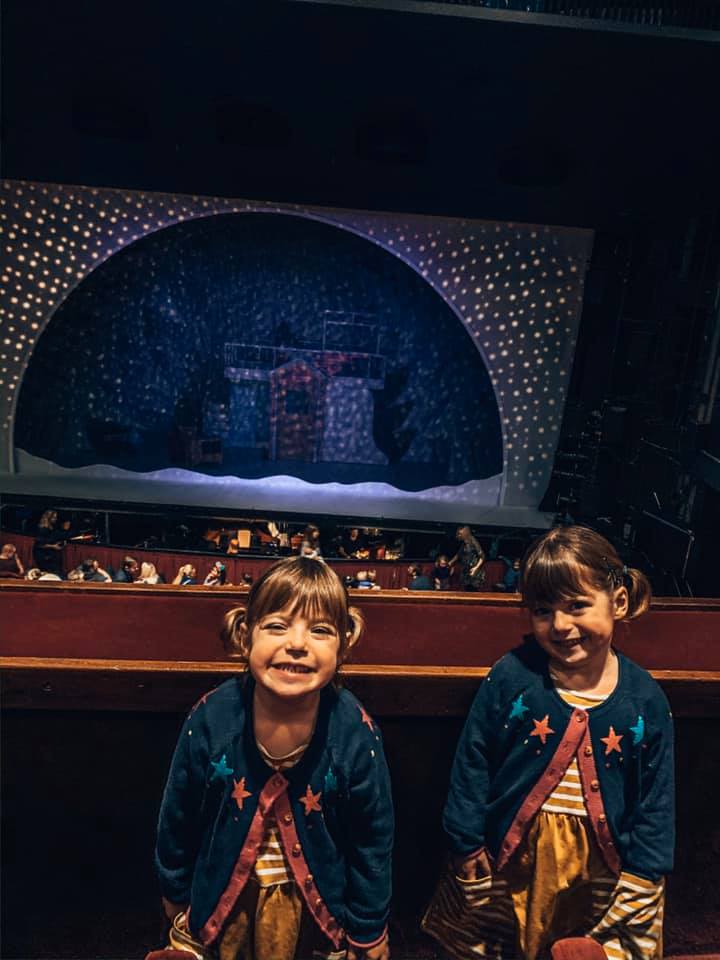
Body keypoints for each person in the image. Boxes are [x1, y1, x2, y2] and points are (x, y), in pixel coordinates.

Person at [422, 525, 673, 960]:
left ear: (618, 603)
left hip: (601, 872)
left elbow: (656, 797)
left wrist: (646, 870)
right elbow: (472, 762)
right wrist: (465, 841)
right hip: (511, 861)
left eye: (577, 606)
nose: (560, 625)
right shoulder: (510, 675)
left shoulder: (646, 699)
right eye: (542, 610)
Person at [152, 556, 393, 960]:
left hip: (314, 915)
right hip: (221, 906)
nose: (297, 644)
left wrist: (368, 928)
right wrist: (175, 894)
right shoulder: (211, 718)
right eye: (277, 626)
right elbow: (177, 817)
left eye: (320, 630)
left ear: (344, 643)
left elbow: (373, 839)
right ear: (246, 635)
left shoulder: (355, 731)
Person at [449, 525, 486, 591]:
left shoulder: (473, 541)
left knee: (473, 590)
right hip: (466, 570)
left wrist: (475, 568)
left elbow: (482, 556)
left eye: (460, 534)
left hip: (473, 570)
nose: (458, 535)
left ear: (465, 533)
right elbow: (458, 555)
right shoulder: (464, 543)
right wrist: (450, 563)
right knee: (467, 589)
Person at [32, 509, 67, 578]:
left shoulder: (52, 527)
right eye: (54, 517)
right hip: (43, 555)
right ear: (49, 518)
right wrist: (53, 546)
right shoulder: (43, 529)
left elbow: (51, 539)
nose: (55, 519)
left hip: (50, 554)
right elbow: (39, 544)